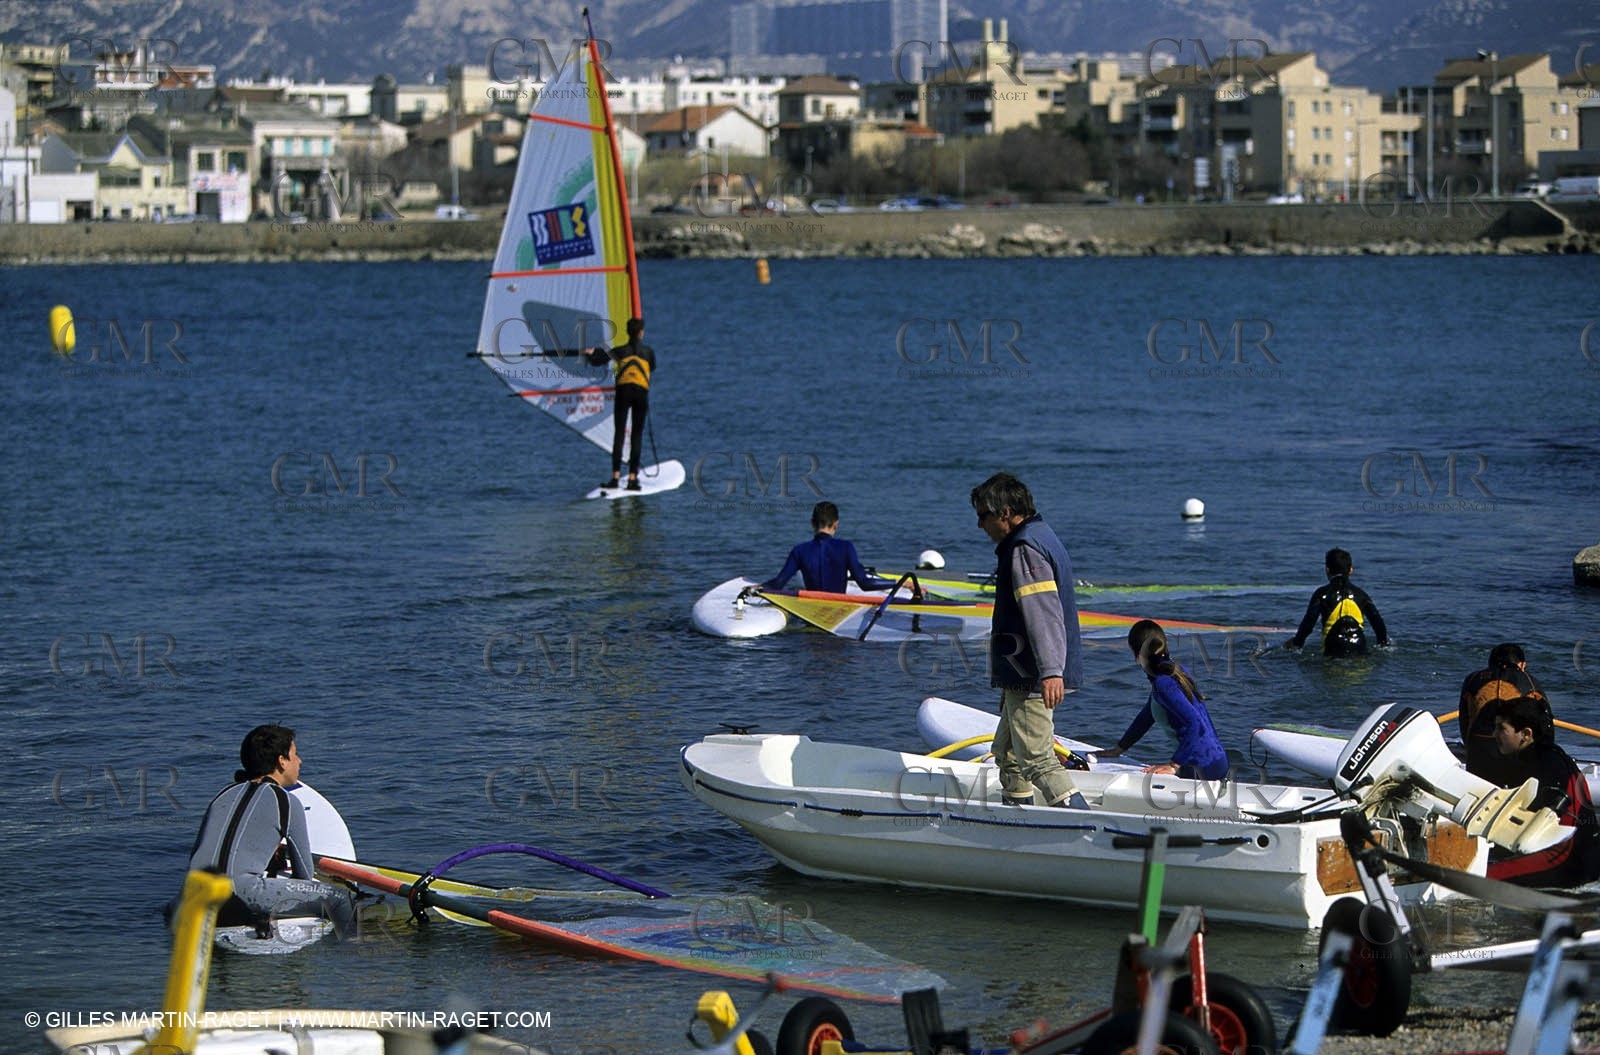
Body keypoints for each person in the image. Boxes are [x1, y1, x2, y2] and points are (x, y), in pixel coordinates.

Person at [971, 472, 1087, 809]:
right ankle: (1017, 817)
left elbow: (1043, 613)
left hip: (1032, 672)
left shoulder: (1024, 548)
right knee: (1008, 754)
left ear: (1005, 513)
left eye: (984, 516)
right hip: (1022, 674)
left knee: (1037, 758)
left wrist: (1051, 670)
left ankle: (1089, 830)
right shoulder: (1042, 534)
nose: (981, 526)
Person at [177, 725, 355, 936]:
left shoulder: (221, 796)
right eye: (295, 755)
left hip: (195, 896)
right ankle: (351, 956)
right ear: (281, 761)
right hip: (240, 899)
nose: (299, 761)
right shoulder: (287, 801)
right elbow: (304, 876)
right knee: (341, 900)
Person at [1485, 696, 1600, 889]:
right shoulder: (1541, 756)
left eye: (1501, 728)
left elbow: (1563, 832)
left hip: (1569, 858)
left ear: (1526, 734)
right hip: (1571, 852)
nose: (1493, 734)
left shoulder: (1546, 764)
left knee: (1484, 877)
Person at [1100, 620, 1229, 780]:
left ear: (1137, 655)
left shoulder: (1163, 683)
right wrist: (1119, 749)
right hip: (1216, 762)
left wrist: (1174, 765)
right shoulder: (1174, 672)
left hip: (1201, 768)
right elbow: (1146, 717)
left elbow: (1195, 724)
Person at [1459, 643, 1551, 787]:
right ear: (1522, 665)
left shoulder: (1472, 679)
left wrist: (1471, 750)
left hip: (1479, 756)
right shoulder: (1531, 682)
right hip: (1517, 758)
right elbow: (1546, 727)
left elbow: (1464, 723)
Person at [759, 501, 900, 594]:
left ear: (812, 523)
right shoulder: (846, 547)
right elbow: (864, 583)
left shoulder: (800, 551)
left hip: (811, 610)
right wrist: (897, 583)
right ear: (836, 524)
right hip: (838, 609)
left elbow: (779, 583)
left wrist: (757, 588)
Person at [1285, 547, 1389, 657]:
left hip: (1333, 651)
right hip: (1360, 650)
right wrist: (1383, 645)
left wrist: (1297, 644)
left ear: (1327, 569)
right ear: (1350, 570)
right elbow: (1379, 625)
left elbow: (1308, 624)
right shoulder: (1362, 595)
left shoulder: (1322, 594)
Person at [589, 317, 654, 491]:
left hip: (624, 393)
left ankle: (615, 478)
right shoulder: (648, 352)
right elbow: (652, 367)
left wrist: (590, 353)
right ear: (641, 333)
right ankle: (633, 479)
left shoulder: (619, 351)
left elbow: (597, 361)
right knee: (636, 436)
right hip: (641, 394)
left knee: (619, 434)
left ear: (627, 332)